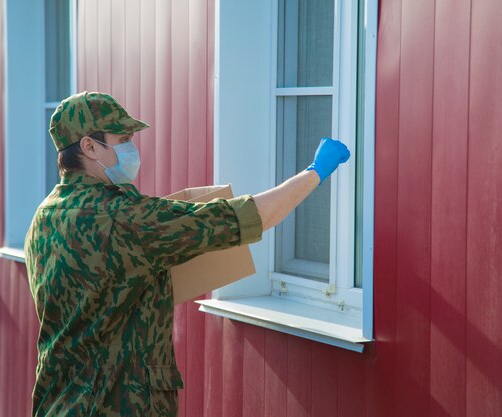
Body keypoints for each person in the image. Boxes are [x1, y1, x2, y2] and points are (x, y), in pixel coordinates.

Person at [24, 91, 350, 417]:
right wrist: (315, 171)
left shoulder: (44, 217)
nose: (131, 149)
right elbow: (252, 217)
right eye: (122, 139)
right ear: (89, 146)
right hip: (112, 405)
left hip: (58, 403)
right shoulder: (123, 218)